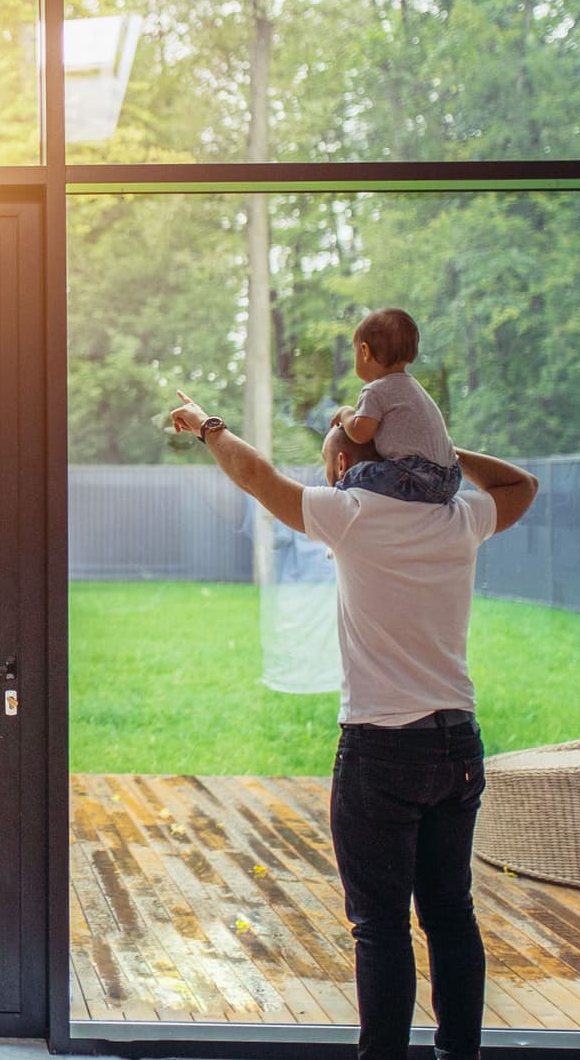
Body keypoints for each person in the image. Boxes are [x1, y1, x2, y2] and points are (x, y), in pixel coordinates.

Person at [168, 389, 538, 1060]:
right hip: (457, 741)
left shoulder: (351, 513)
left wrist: (205, 425)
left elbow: (256, 476)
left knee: (380, 927)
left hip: (382, 747)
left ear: (342, 469)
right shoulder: (460, 517)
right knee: (452, 914)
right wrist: (441, 457)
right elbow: (521, 484)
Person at [333, 308, 463, 505]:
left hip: (416, 476)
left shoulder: (375, 390)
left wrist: (345, 413)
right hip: (452, 478)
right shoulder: (413, 386)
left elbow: (361, 433)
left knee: (355, 475)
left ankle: (339, 502)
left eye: (355, 351)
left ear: (365, 351)